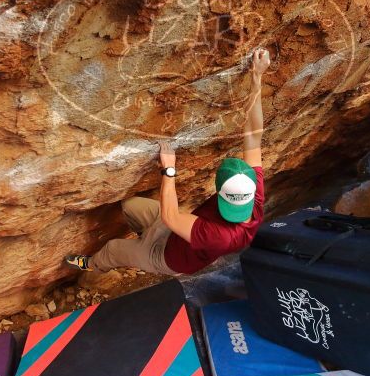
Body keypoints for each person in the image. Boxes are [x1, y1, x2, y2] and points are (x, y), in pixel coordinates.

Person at [64, 47, 270, 275]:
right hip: (176, 233)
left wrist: (169, 169)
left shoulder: (219, 236)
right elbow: (253, 136)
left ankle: (93, 265)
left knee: (113, 249)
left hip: (166, 258)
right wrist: (256, 77)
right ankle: (142, 239)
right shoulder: (254, 192)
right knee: (130, 206)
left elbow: (171, 216)